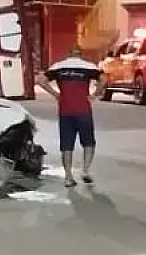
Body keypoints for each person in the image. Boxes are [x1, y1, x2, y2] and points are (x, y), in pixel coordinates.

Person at [38, 48, 100, 188]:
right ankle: (85, 170)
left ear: (69, 54)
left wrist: (55, 93)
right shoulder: (88, 67)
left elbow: (40, 80)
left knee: (67, 145)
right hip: (84, 111)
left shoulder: (59, 67)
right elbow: (105, 78)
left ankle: (68, 177)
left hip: (65, 111)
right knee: (89, 142)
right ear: (80, 55)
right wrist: (95, 94)